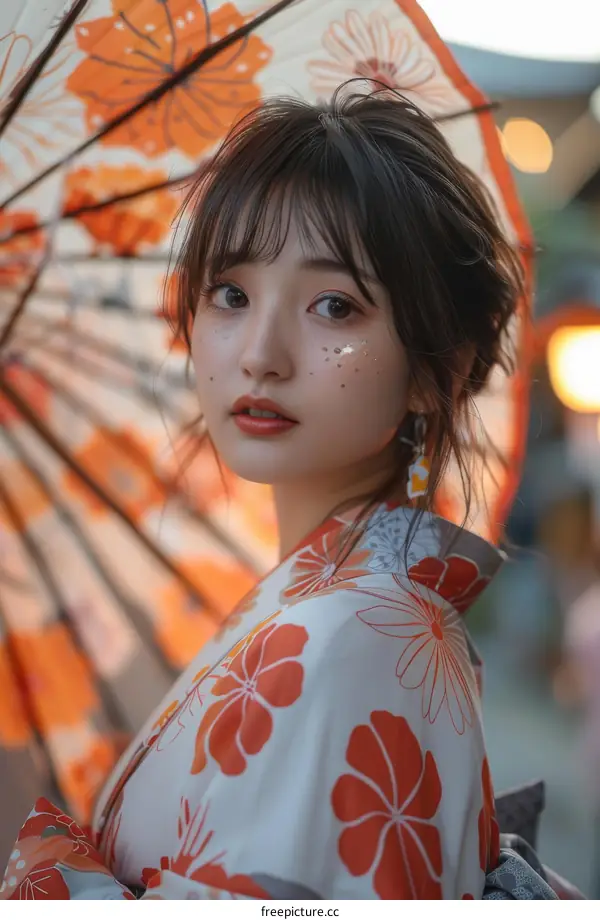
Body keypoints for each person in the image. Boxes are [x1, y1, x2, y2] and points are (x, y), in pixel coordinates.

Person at [1, 87, 546, 900]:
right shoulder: (327, 610)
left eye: (335, 305)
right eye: (231, 293)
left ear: (442, 370)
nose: (261, 353)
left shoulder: (363, 635)